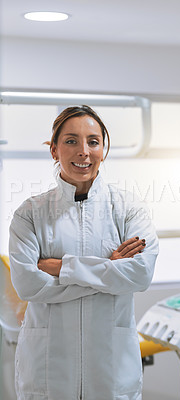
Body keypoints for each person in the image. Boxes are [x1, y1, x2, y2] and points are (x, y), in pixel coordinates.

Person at [9, 105, 159, 400]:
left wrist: (61, 267)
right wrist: (108, 270)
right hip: (49, 370)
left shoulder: (129, 209)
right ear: (54, 150)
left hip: (111, 369)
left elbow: (140, 275)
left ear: (103, 149)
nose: (83, 151)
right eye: (71, 141)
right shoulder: (29, 214)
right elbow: (27, 285)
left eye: (93, 141)